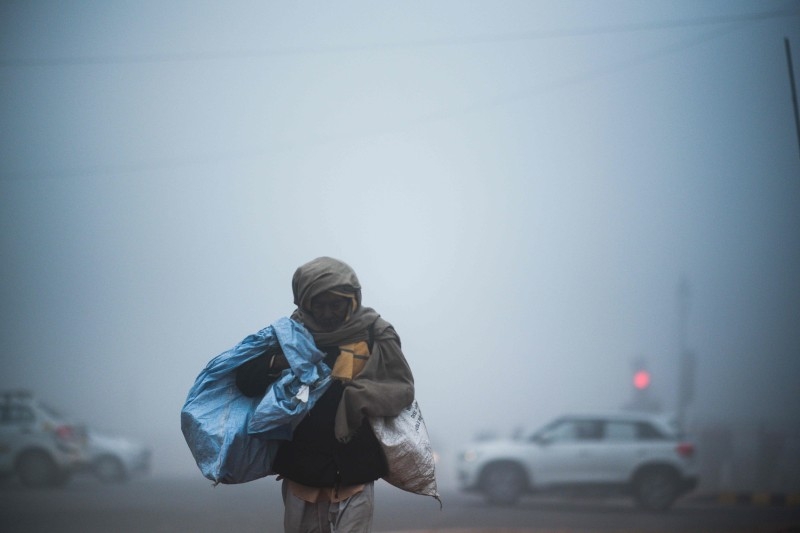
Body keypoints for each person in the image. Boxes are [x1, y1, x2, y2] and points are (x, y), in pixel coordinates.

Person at [235, 256, 415, 533]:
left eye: (336, 304)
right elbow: (245, 381)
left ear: (352, 300)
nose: (328, 313)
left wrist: (360, 397)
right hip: (301, 466)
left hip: (355, 464)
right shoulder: (290, 335)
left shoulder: (374, 334)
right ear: (305, 303)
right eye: (319, 305)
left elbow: (401, 390)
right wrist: (280, 362)